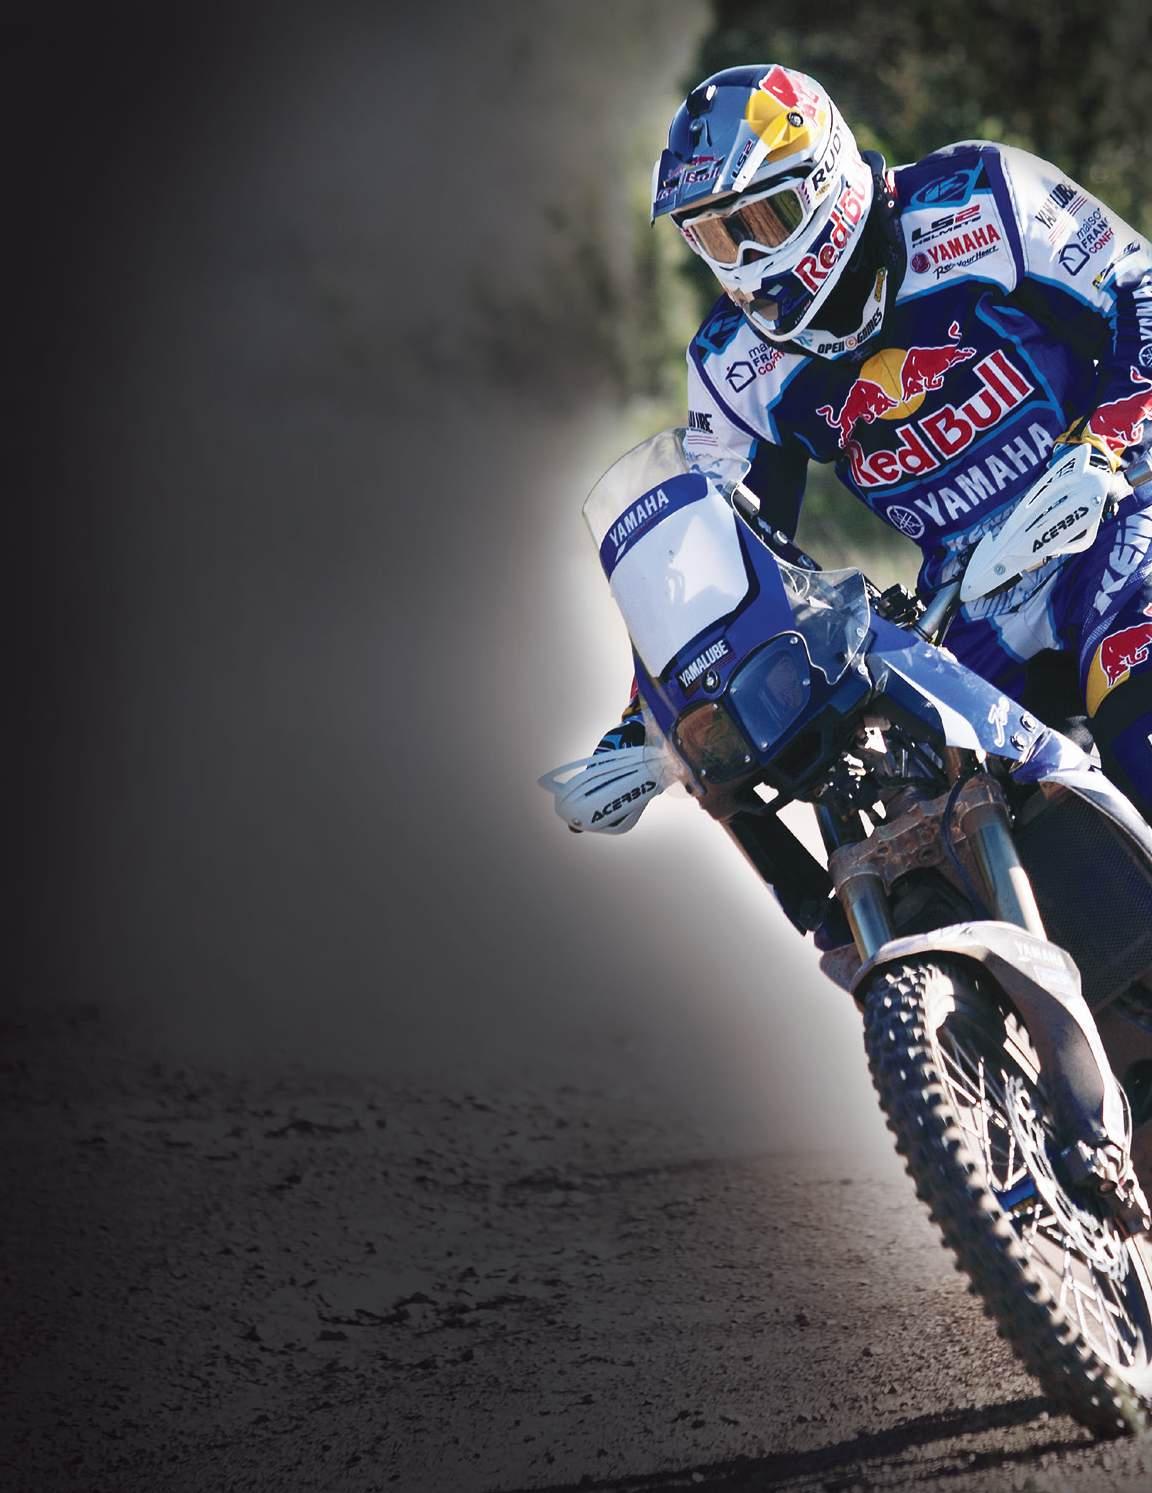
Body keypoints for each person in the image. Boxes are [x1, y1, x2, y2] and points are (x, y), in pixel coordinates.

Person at [554, 63, 1152, 854]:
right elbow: (701, 563)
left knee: (1139, 718)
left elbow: (1141, 288)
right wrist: (648, 722)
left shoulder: (982, 196)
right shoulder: (732, 365)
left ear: (827, 181)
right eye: (715, 235)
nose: (744, 259)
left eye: (761, 219)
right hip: (970, 598)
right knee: (967, 818)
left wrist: (1105, 440)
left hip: (1116, 507)